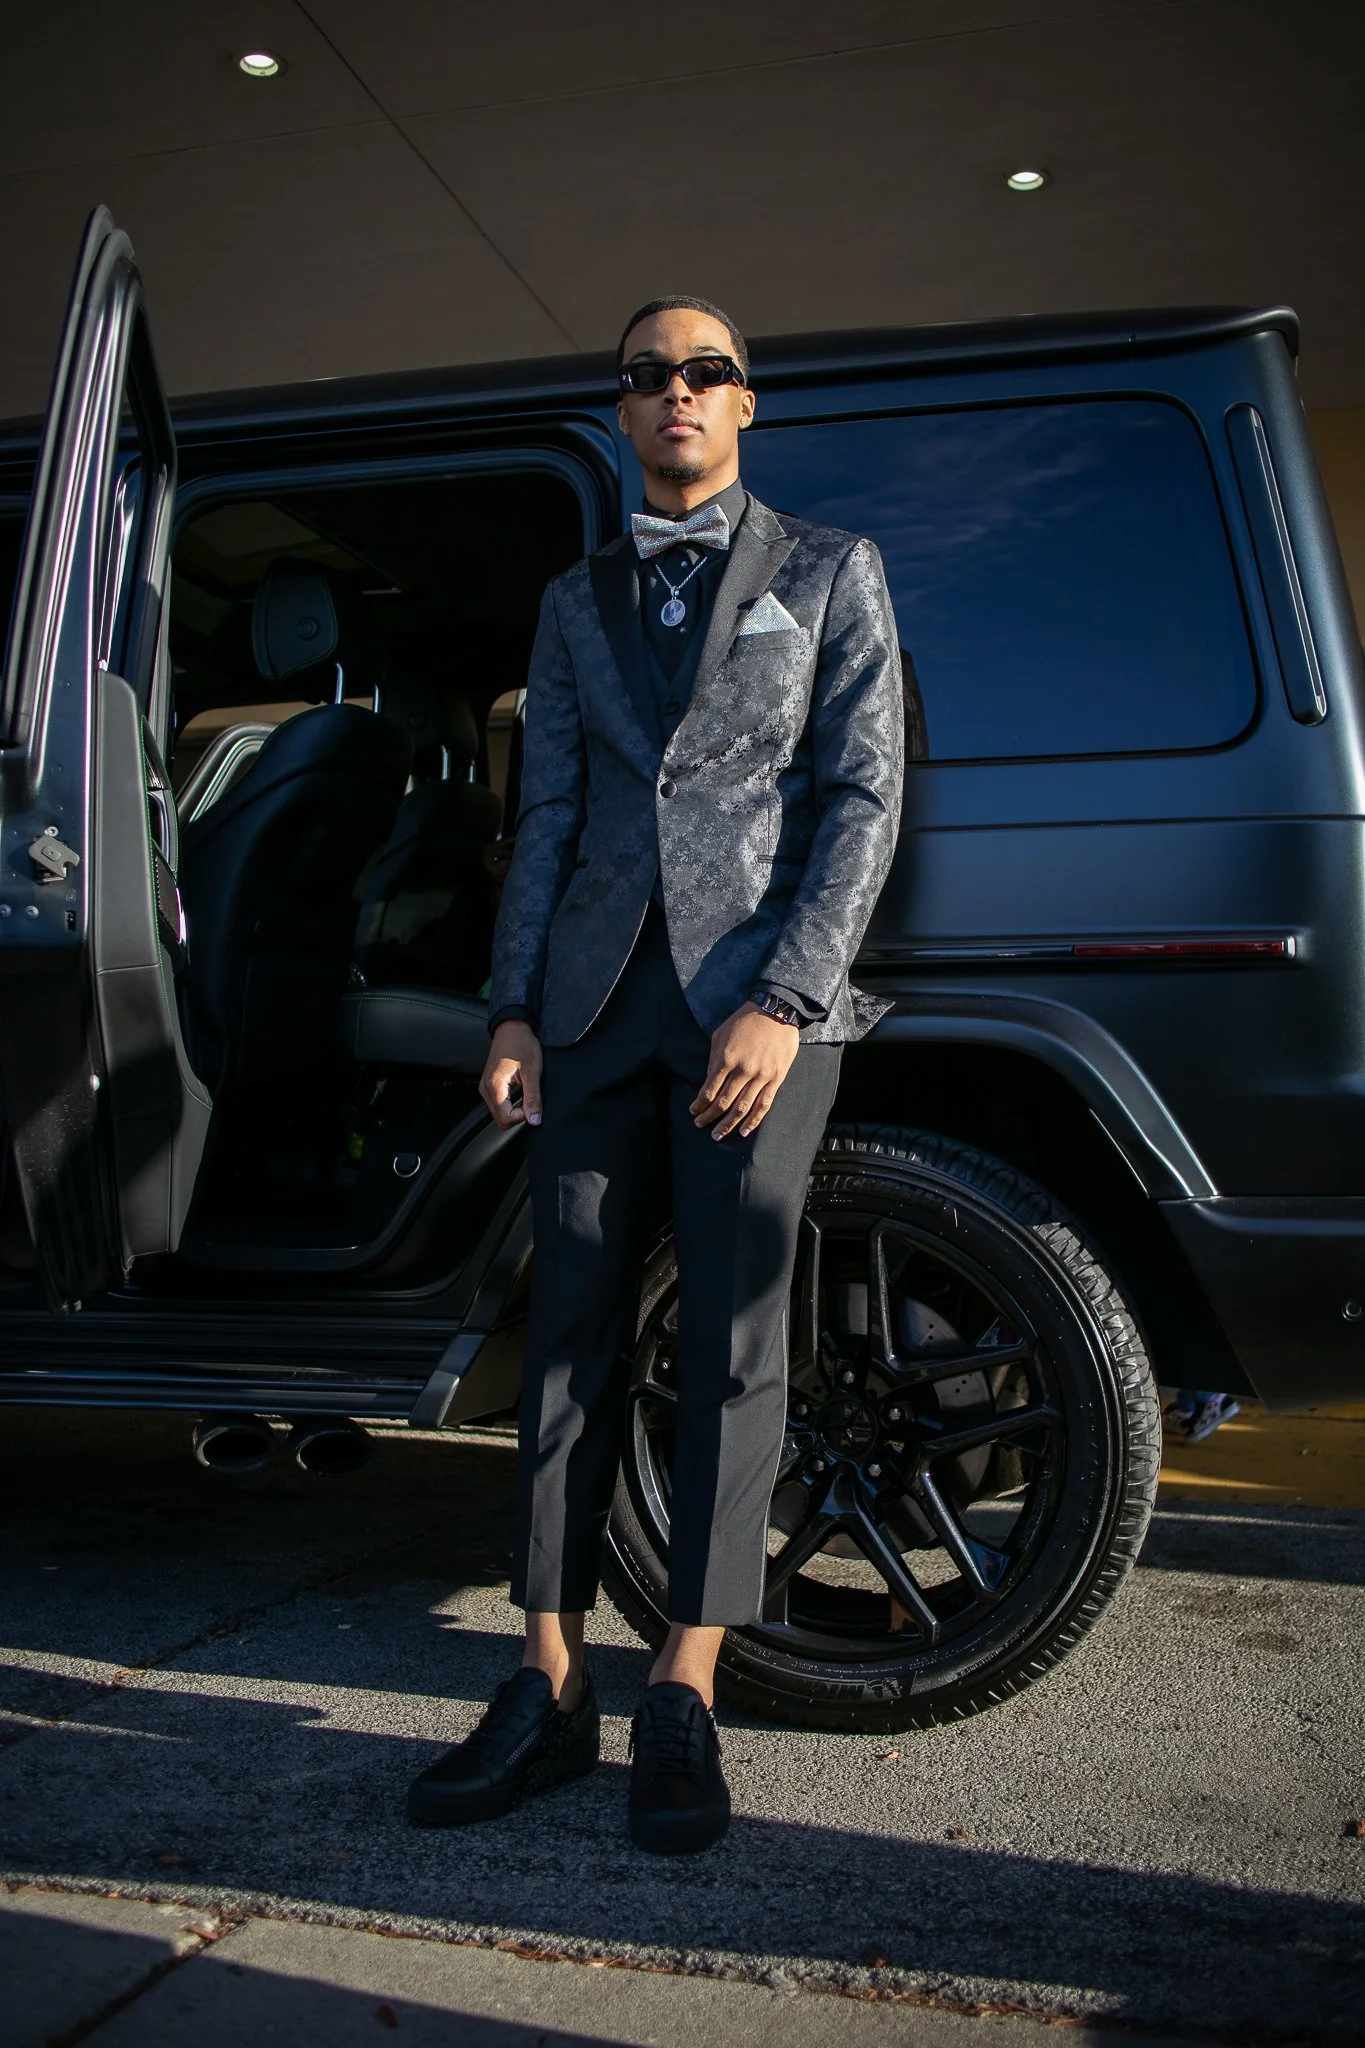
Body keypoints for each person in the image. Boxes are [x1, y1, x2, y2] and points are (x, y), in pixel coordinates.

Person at [407, 295, 904, 1852]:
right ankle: (549, 1681)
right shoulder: (572, 604)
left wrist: (788, 995)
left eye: (705, 370)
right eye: (648, 376)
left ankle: (684, 1686)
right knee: (567, 1336)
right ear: (624, 412)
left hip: (754, 1014)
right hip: (591, 1013)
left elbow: (865, 792)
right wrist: (510, 1011)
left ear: (744, 402)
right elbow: (544, 812)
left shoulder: (830, 572)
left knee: (739, 1347)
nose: (677, 392)